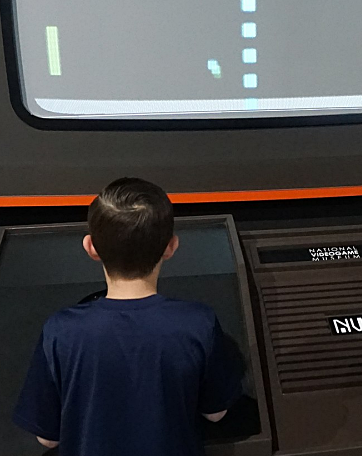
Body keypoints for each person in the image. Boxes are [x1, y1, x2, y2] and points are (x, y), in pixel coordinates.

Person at [13, 178, 242, 456]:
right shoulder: (198, 323)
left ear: (91, 248)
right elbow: (215, 413)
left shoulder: (60, 331)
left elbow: (47, 438)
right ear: (171, 247)